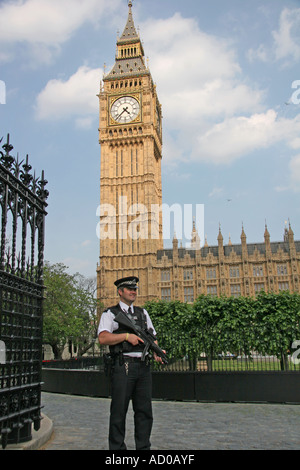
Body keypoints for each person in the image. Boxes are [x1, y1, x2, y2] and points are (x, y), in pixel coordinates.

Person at [98, 276, 164, 450]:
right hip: (123, 365)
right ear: (120, 292)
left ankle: (143, 448)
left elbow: (152, 338)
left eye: (135, 289)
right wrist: (126, 336)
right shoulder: (110, 313)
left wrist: (157, 352)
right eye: (129, 289)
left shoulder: (143, 313)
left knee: (144, 412)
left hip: (143, 366)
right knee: (119, 412)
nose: (134, 291)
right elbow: (103, 338)